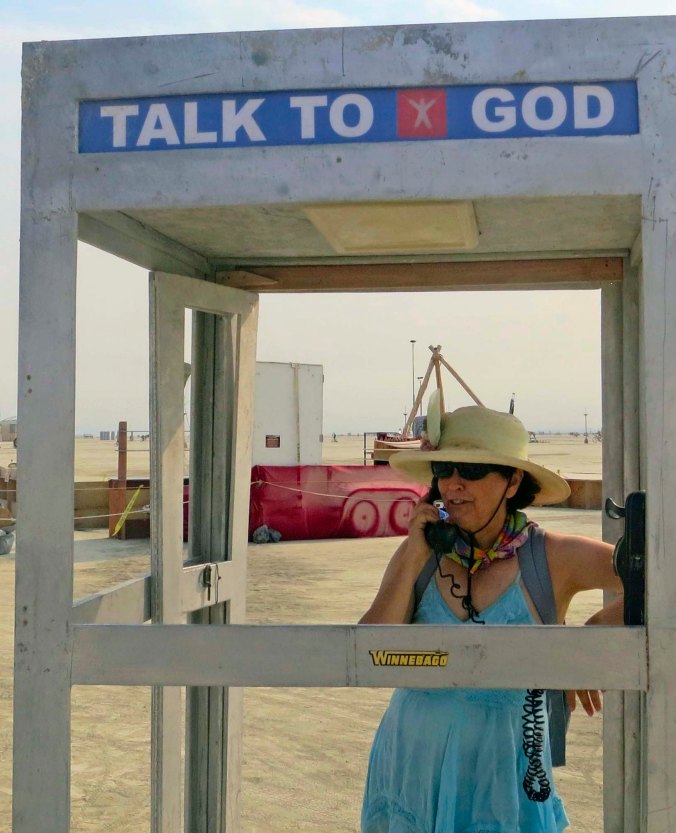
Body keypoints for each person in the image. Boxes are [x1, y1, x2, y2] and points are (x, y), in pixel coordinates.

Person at [359, 405, 623, 833]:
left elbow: (657, 578)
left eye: (474, 469)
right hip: (412, 766)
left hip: (503, 775)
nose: (454, 485)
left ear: (513, 480)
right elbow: (368, 650)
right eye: (444, 470)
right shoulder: (421, 555)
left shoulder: (552, 557)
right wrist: (413, 554)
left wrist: (588, 641)